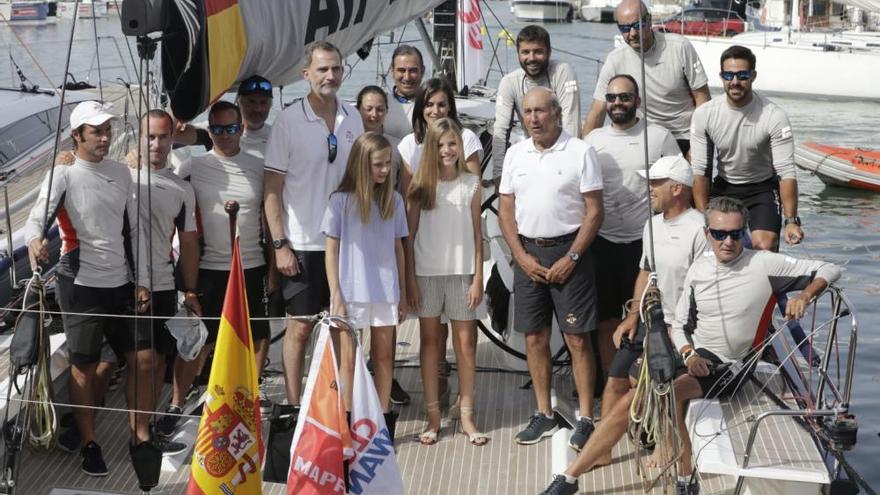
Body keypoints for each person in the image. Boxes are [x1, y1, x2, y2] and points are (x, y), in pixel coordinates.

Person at [540, 155, 707, 495]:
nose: (650, 188)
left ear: (678, 189)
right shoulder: (652, 224)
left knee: (642, 388)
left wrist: (678, 335)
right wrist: (633, 316)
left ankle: (665, 443)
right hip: (650, 319)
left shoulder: (699, 229)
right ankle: (601, 452)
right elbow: (646, 271)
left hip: (680, 329)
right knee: (614, 380)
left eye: (656, 183)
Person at [666, 196, 838, 494]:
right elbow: (679, 325)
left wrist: (804, 296)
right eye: (719, 234)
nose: (728, 241)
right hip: (696, 354)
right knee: (634, 374)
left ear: (744, 232)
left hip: (733, 366)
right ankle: (656, 442)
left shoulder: (764, 263)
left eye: (735, 233)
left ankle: (683, 474)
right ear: (707, 234)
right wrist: (688, 353)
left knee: (672, 392)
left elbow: (830, 268)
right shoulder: (699, 268)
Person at [24, 101, 152, 476]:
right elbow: (35, 221)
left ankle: (140, 435)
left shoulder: (122, 173)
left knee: (142, 359)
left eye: (108, 129)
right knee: (83, 368)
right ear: (76, 135)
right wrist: (34, 242)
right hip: (79, 284)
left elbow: (131, 230)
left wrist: (142, 280)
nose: (105, 136)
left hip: (121, 282)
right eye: (96, 130)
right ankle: (90, 443)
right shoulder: (62, 175)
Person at [157, 101, 273, 436]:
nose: (224, 135)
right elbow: (170, 203)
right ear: (210, 132)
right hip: (208, 267)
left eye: (231, 128)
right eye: (217, 129)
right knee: (197, 340)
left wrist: (273, 271)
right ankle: (177, 404)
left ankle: (246, 396)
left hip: (252, 265)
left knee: (258, 336)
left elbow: (269, 215)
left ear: (241, 129)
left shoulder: (258, 166)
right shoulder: (192, 166)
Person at [498, 87, 604, 446]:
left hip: (570, 252)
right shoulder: (515, 154)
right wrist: (520, 256)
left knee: (577, 339)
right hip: (528, 254)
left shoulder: (580, 152)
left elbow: (594, 211)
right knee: (534, 337)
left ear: (556, 113)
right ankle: (544, 414)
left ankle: (586, 416)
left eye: (541, 111)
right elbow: (506, 211)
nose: (533, 119)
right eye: (527, 112)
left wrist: (572, 257)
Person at [264, 41, 365, 407]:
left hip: (346, 243)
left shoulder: (353, 117)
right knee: (301, 328)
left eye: (336, 68)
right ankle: (293, 406)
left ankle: (343, 406)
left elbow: (360, 180)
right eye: (322, 69)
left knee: (343, 327)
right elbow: (272, 188)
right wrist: (280, 245)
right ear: (306, 74)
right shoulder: (289, 121)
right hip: (303, 243)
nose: (331, 75)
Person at [583, 73, 680, 418]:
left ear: (637, 101)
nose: (617, 103)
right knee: (608, 320)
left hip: (646, 244)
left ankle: (647, 391)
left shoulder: (660, 136)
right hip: (604, 242)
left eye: (625, 97)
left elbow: (679, 184)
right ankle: (615, 389)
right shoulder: (592, 139)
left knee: (649, 320)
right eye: (611, 98)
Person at [404, 118, 487, 446]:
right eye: (440, 145)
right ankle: (433, 415)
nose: (447, 150)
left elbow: (478, 237)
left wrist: (479, 276)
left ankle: (466, 412)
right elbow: (408, 238)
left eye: (452, 143)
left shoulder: (472, 184)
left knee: (465, 345)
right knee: (430, 344)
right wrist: (409, 280)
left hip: (463, 274)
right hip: (426, 274)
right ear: (430, 149)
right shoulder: (420, 186)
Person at [322, 132, 408, 436]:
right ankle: (346, 426)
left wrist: (402, 294)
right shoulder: (340, 202)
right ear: (362, 164)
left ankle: (383, 422)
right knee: (348, 361)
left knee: (384, 357)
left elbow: (398, 248)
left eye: (388, 164)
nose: (385, 170)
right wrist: (336, 294)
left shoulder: (393, 200)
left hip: (384, 290)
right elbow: (331, 251)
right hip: (350, 290)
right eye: (378, 164)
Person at [126, 110, 200, 456]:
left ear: (173, 140)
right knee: (140, 361)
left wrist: (190, 289)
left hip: (163, 283)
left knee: (156, 361)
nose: (156, 144)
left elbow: (187, 245)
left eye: (163, 137)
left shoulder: (182, 190)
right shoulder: (121, 176)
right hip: (122, 282)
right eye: (149, 137)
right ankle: (139, 434)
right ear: (138, 138)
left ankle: (148, 425)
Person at [690, 45, 803, 252]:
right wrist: (703, 217)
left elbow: (786, 172)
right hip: (724, 187)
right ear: (721, 76)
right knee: (713, 244)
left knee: (764, 246)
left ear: (753, 76)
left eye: (742, 75)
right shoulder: (704, 114)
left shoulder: (774, 116)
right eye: (728, 75)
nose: (734, 82)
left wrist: (792, 220)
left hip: (762, 189)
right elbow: (700, 170)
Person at [584, 0, 711, 155]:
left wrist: (697, 144)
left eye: (637, 25)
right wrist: (583, 154)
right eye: (624, 28)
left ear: (649, 20)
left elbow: (703, 98)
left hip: (685, 135)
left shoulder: (680, 47)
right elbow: (597, 111)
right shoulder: (615, 59)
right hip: (646, 138)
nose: (632, 33)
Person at [492, 25, 581, 184]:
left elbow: (570, 122)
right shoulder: (509, 82)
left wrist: (565, 169)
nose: (531, 58)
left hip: (563, 153)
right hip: (533, 152)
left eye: (538, 51)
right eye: (525, 52)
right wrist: (499, 174)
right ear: (518, 53)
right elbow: (501, 129)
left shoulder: (562, 71)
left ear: (549, 52)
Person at [398, 77, 483, 194]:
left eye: (441, 105)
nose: (435, 111)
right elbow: (406, 195)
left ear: (450, 107)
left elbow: (474, 191)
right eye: (429, 104)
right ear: (420, 108)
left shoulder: (467, 138)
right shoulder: (409, 143)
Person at [383, 44, 425, 140]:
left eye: (413, 70)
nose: (407, 77)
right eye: (401, 70)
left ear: (422, 71)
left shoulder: (432, 106)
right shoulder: (380, 104)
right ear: (392, 71)